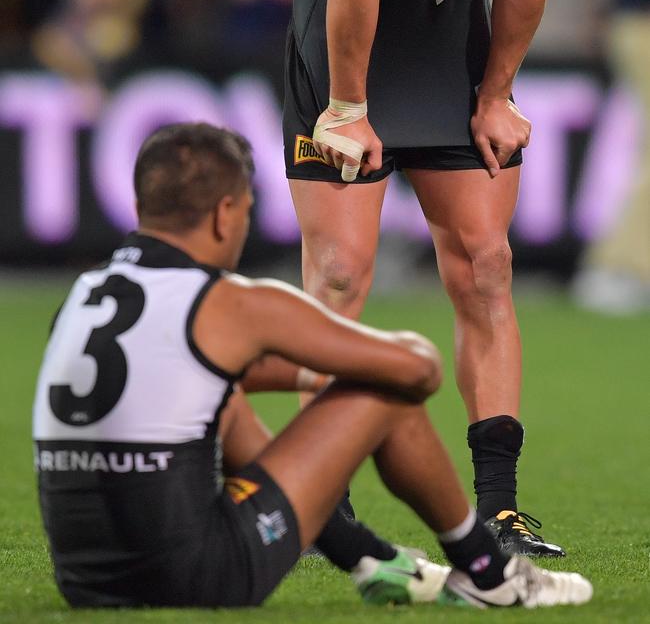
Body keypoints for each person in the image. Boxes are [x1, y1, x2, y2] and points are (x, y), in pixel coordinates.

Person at [32, 122, 592, 610]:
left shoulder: (83, 294)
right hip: (196, 576)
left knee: (215, 398)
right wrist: (313, 372)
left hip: (84, 582)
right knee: (383, 387)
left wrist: (243, 373)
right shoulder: (233, 303)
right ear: (226, 214)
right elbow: (418, 368)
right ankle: (489, 575)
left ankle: (379, 563)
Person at [283, 0, 592, 556]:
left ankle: (500, 507)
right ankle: (315, 501)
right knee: (342, 274)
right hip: (347, 50)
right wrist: (346, 108)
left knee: (488, 267)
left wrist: (496, 96)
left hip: (450, 57)